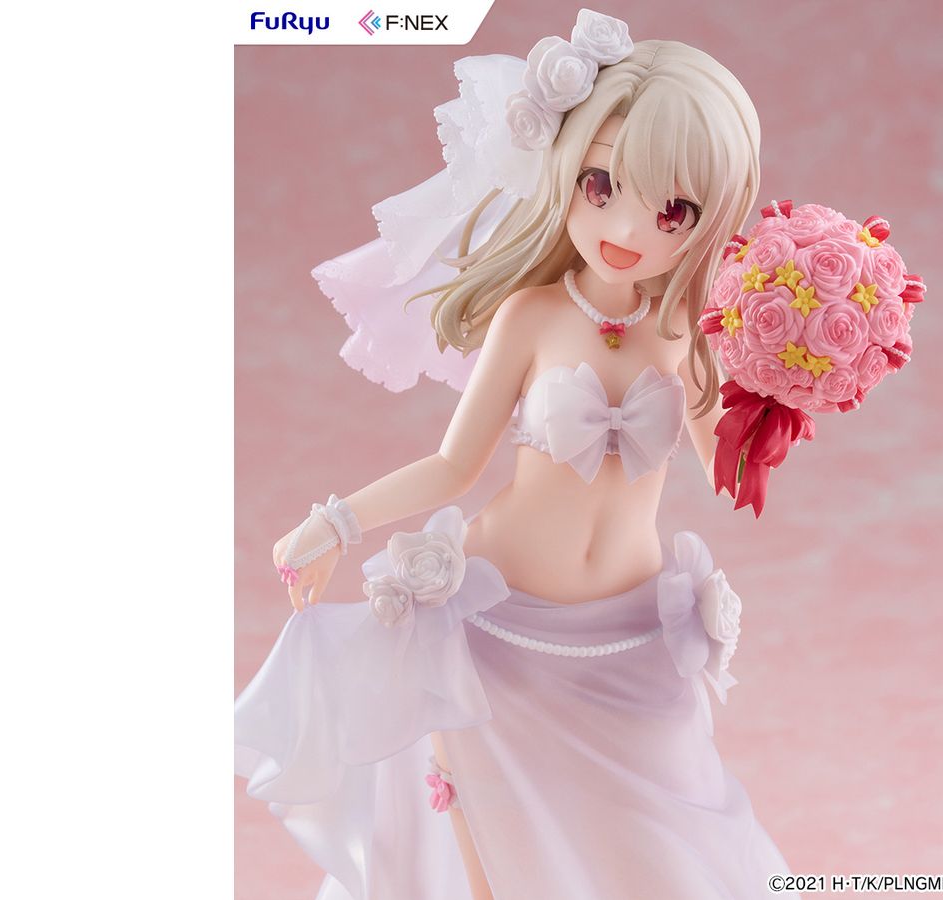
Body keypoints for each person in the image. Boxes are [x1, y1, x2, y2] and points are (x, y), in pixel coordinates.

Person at [235, 10, 792, 899]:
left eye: (671, 209)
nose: (626, 224)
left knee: (660, 842)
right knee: (491, 851)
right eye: (601, 183)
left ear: (708, 218)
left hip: (633, 641)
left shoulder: (688, 334)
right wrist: (335, 522)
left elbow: (730, 474)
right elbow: (453, 467)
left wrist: (783, 385)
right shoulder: (533, 317)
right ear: (564, 167)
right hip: (497, 632)